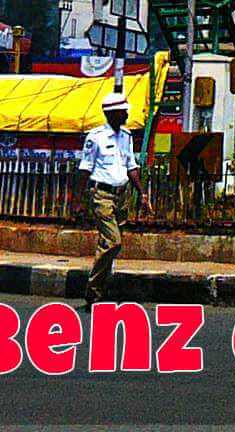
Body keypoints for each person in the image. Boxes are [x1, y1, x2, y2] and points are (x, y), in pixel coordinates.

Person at [79, 90, 141, 307]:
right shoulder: (95, 138)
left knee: (107, 244)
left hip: (121, 195)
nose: (126, 115)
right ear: (112, 114)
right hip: (102, 194)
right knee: (114, 242)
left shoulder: (126, 137)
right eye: (123, 112)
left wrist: (141, 192)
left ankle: (99, 291)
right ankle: (92, 288)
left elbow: (131, 166)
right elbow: (85, 169)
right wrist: (76, 199)